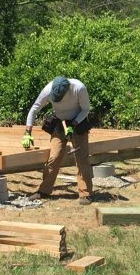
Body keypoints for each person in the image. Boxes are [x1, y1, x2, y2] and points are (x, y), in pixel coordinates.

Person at [22, 76, 93, 204]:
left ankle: (85, 194)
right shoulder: (48, 90)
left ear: (68, 90)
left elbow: (86, 109)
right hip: (59, 124)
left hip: (78, 123)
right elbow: (34, 109)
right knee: (53, 158)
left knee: (82, 159)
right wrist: (28, 132)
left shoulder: (79, 88)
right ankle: (43, 191)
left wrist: (74, 124)